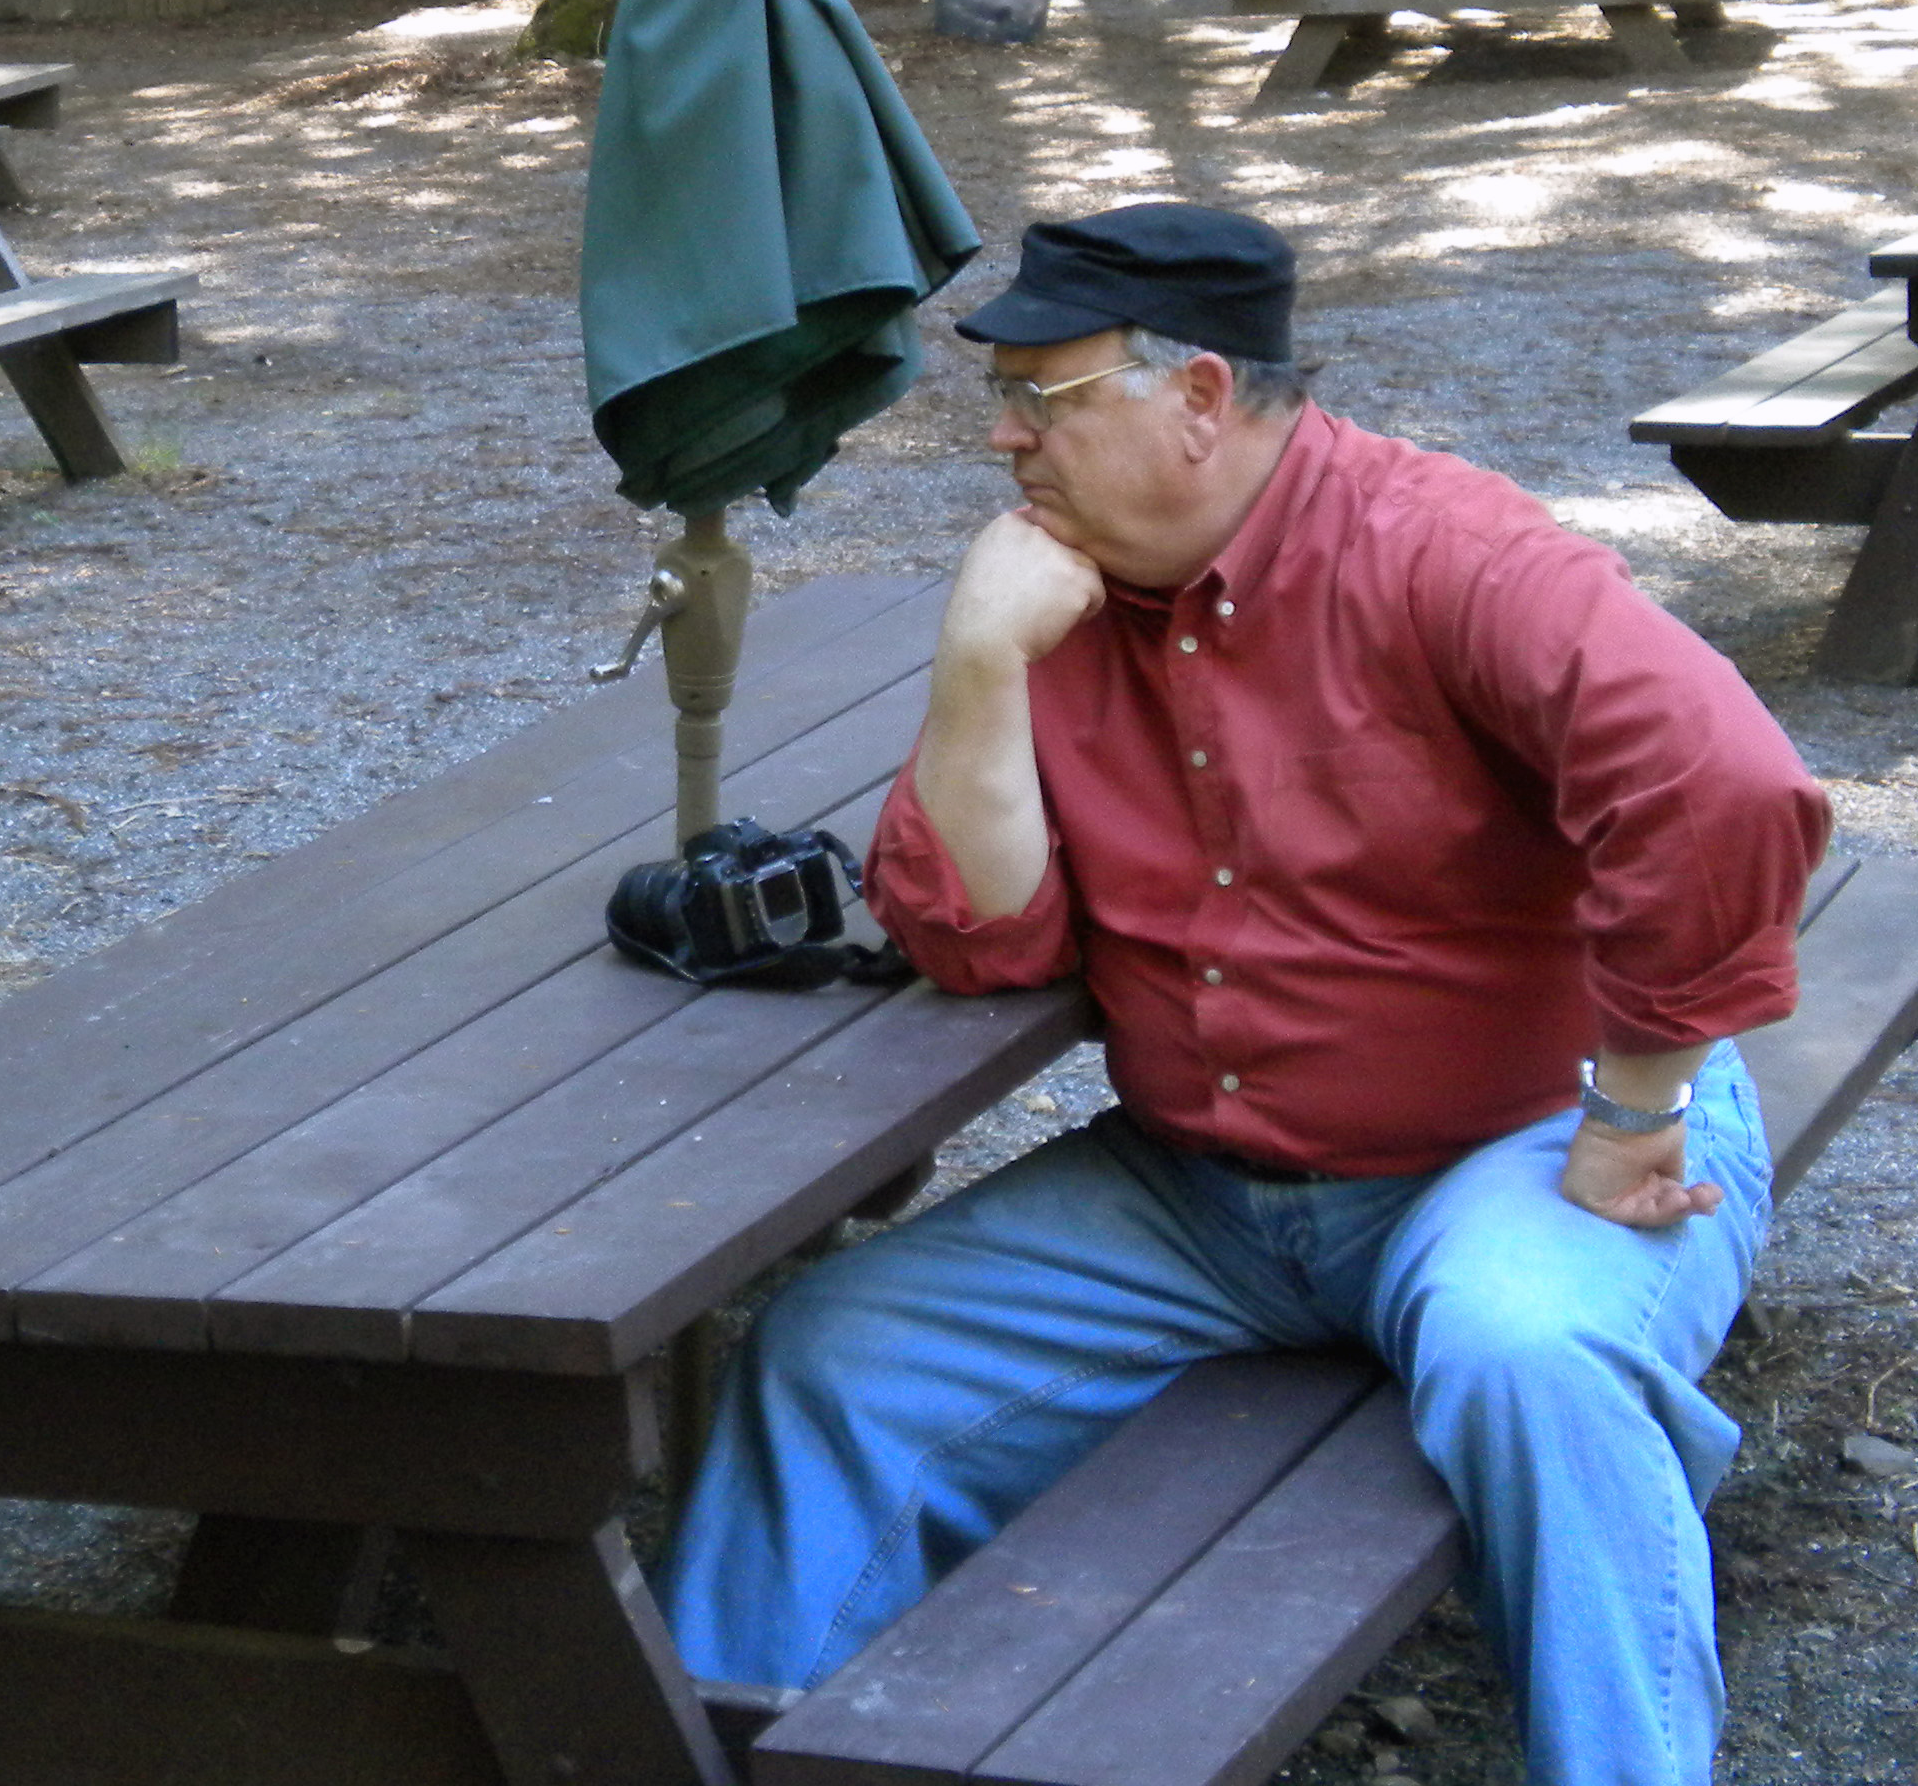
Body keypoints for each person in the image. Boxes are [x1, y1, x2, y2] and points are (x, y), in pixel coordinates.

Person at [656, 202, 1831, 1786]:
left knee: (1528, 1361)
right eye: (1000, 401)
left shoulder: (1450, 556)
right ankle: (715, 1758)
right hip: (1204, 1201)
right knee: (833, 1351)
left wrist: (1636, 1108)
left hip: (1521, 1152)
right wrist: (980, 663)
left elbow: (1729, 786)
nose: (1004, 438)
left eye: (1045, 398)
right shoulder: (1060, 594)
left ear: (1200, 397)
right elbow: (973, 939)